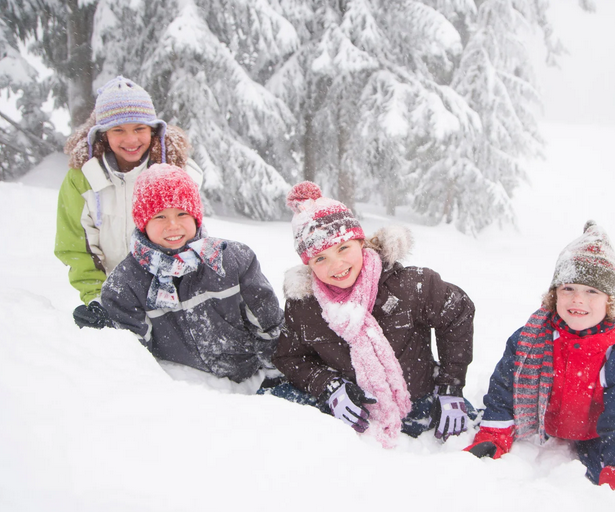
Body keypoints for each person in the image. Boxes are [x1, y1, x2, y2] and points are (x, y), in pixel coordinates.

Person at [269, 182, 476, 448]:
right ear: (308, 265)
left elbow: (457, 311)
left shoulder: (409, 286)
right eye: (320, 259)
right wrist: (329, 387)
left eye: (343, 248)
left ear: (360, 242)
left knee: (472, 443)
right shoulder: (304, 307)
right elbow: (289, 357)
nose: (337, 265)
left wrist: (450, 388)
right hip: (354, 415)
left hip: (421, 401)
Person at [464, 221, 615, 495]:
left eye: (592, 291)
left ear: (610, 302)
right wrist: (494, 434)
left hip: (600, 430)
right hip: (553, 423)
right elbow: (504, 391)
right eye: (568, 289)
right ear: (554, 295)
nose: (578, 299)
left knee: (612, 465)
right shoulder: (530, 340)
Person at [100, 164, 283, 384]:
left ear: (195, 216)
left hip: (249, 377)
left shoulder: (232, 260)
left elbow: (268, 324)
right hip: (184, 389)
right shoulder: (126, 282)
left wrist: (278, 373)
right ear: (142, 222)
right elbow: (132, 356)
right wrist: (103, 329)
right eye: (159, 216)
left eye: (182, 213)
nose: (173, 225)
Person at [54, 76, 203, 329]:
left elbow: (194, 238)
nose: (131, 140)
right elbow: (76, 248)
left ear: (154, 130)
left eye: (139, 128)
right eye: (118, 130)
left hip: (173, 298)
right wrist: (97, 298)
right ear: (102, 134)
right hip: (114, 296)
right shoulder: (82, 180)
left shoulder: (177, 173)